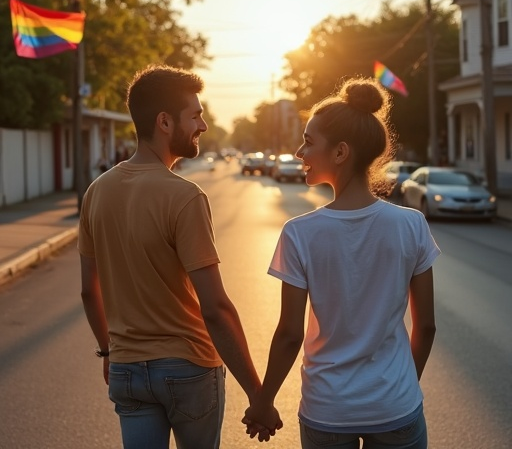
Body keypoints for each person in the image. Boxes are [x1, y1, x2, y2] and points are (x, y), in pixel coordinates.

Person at [78, 64, 280, 449]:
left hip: (127, 370)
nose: (203, 126)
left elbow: (90, 291)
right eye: (196, 115)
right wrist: (258, 395)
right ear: (165, 122)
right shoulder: (184, 197)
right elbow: (215, 309)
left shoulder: (96, 192)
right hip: (187, 368)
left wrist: (108, 350)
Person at [243, 77, 440, 448]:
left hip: (328, 410)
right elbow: (426, 326)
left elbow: (289, 335)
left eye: (308, 142)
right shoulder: (411, 224)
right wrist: (400, 389)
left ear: (340, 152)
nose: (299, 152)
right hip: (396, 406)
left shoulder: (300, 233)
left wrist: (263, 401)